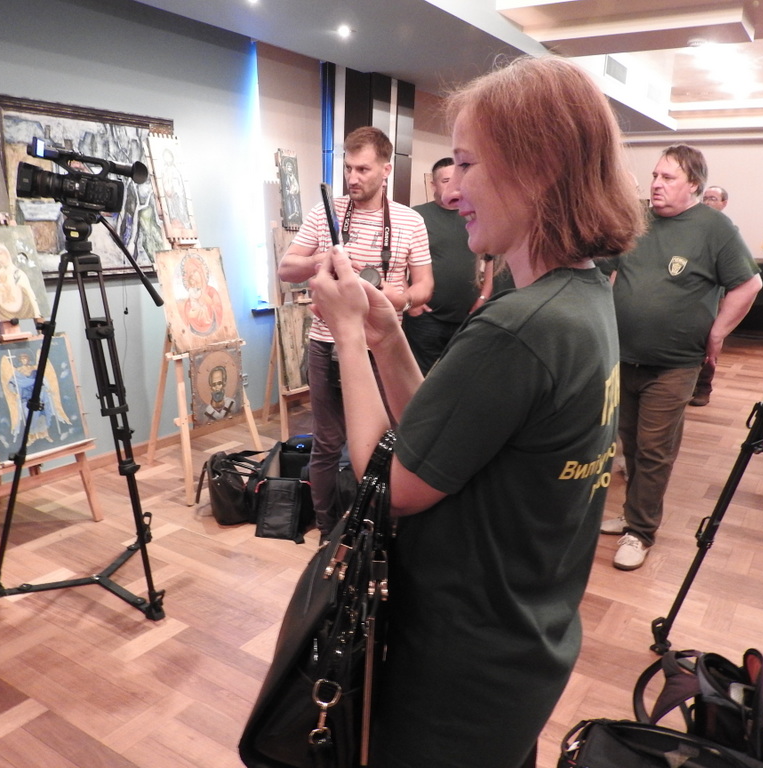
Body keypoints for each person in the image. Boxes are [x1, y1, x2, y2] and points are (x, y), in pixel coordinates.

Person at [308, 55, 643, 768]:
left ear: (538, 167)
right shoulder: (578, 300)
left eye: (466, 164)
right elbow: (439, 439)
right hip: (522, 642)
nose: (453, 189)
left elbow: (389, 484)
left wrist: (345, 336)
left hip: (459, 663)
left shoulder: (520, 326)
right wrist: (386, 336)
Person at [600, 145, 762, 571]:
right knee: (631, 444)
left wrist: (717, 332)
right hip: (624, 357)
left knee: (654, 449)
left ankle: (641, 531)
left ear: (693, 184)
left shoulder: (715, 227)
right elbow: (610, 272)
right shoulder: (637, 219)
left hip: (674, 364)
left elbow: (748, 284)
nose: (656, 184)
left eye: (667, 177)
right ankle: (633, 514)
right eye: (655, 175)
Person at [277, 126, 432, 537]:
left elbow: (425, 287)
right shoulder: (324, 213)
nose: (353, 178)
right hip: (325, 345)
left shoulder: (410, 221)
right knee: (327, 443)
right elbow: (286, 268)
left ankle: (377, 529)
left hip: (380, 348)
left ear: (386, 170)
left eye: (363, 169)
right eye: (348, 168)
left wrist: (396, 299)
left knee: (387, 438)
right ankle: (329, 532)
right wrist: (326, 261)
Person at [404, 157, 487, 374]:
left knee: (459, 377)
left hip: (467, 315)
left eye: (458, 180)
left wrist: (483, 297)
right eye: (445, 181)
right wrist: (411, 301)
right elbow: (397, 260)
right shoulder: (416, 216)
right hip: (426, 317)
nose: (453, 187)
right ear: (434, 184)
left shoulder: (474, 215)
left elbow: (491, 257)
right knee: (422, 379)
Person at [690, 184, 732, 405]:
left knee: (712, 340)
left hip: (717, 293)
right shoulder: (693, 226)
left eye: (713, 198)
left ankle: (704, 387)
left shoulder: (726, 229)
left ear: (724, 203)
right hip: (693, 292)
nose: (707, 202)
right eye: (705, 198)